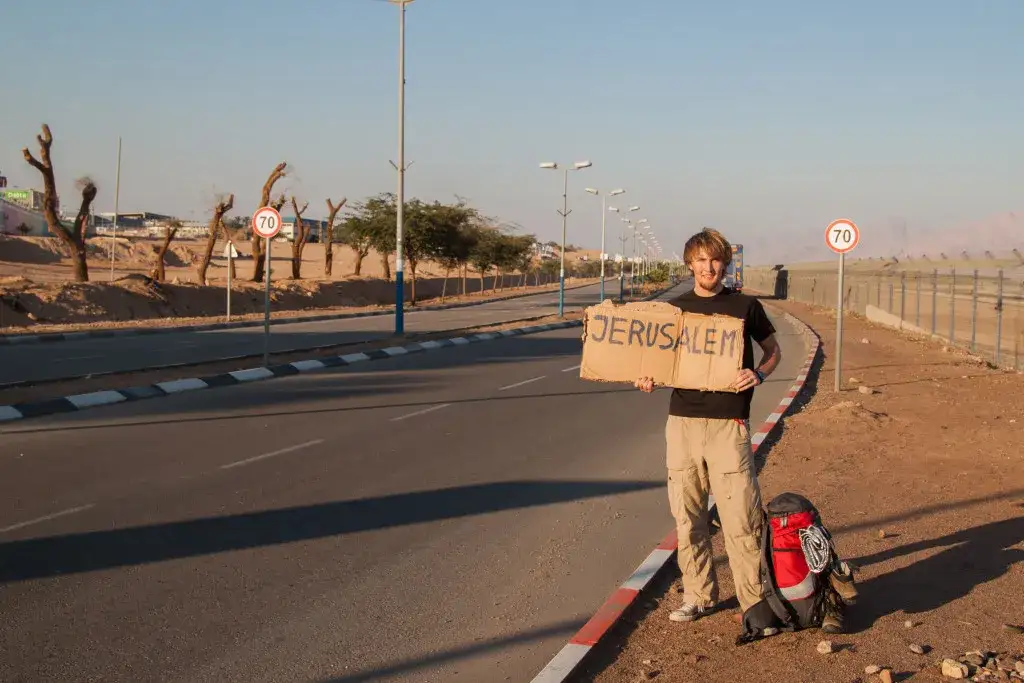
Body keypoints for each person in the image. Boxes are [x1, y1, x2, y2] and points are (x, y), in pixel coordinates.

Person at [635, 227, 782, 625]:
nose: (709, 267)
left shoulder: (744, 306)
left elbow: (772, 350)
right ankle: (699, 596)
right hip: (682, 423)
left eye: (715, 260)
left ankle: (754, 601)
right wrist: (647, 378)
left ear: (725, 263)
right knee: (689, 517)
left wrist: (760, 375)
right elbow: (658, 362)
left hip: (728, 426)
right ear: (690, 264)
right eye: (701, 260)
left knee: (741, 518)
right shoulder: (674, 310)